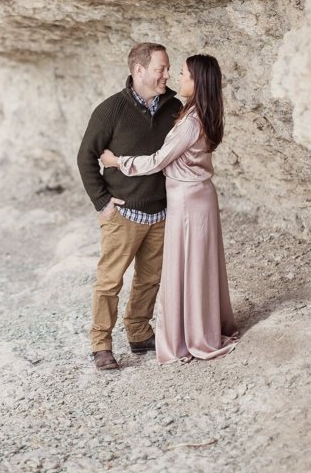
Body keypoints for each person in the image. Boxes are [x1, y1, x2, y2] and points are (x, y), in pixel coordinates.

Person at [100, 54, 238, 364]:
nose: (178, 78)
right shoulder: (202, 113)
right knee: (198, 266)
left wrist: (117, 161)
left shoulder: (190, 122)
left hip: (188, 201)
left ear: (198, 82)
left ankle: (191, 335)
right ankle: (200, 324)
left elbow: (157, 161)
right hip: (198, 196)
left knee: (187, 266)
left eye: (185, 75)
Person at [77, 43, 180, 371]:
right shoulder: (111, 110)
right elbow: (85, 157)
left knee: (150, 279)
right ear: (139, 70)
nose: (167, 74)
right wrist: (102, 202)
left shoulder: (173, 107)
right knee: (110, 280)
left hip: (161, 212)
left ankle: (138, 332)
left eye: (167, 68)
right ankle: (101, 344)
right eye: (160, 68)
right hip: (124, 213)